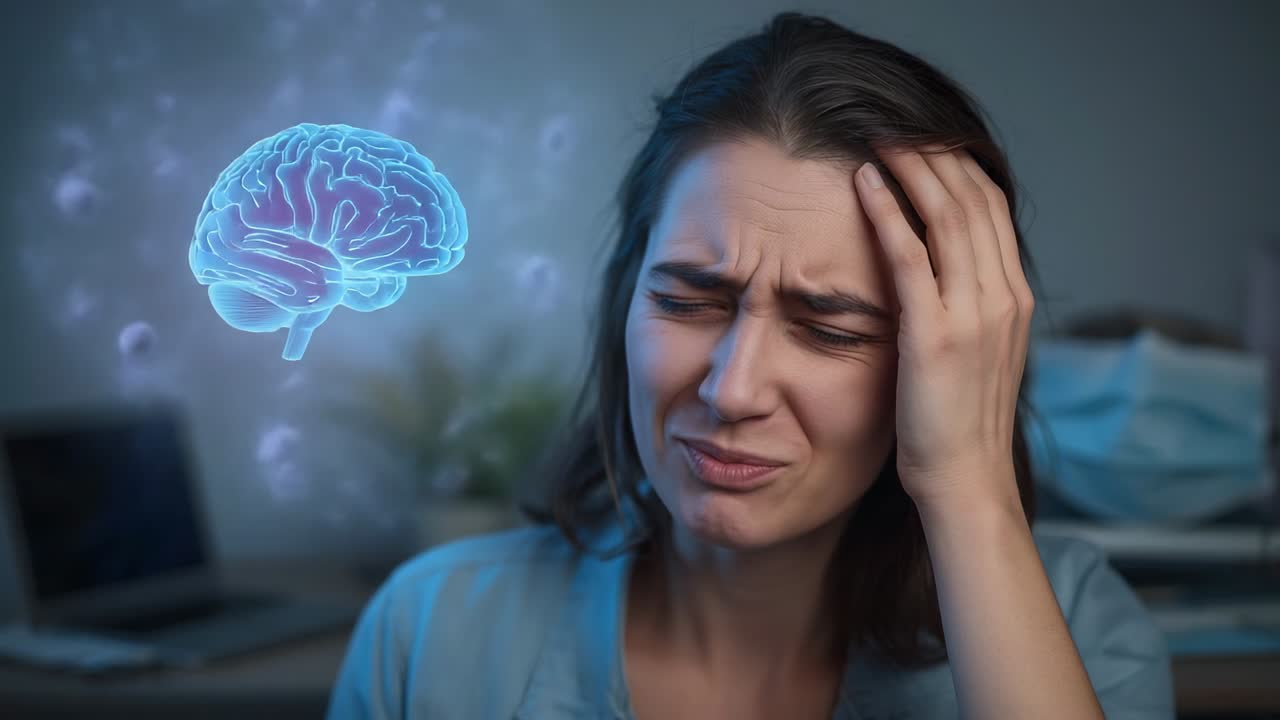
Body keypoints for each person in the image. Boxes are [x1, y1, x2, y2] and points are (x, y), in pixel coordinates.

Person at [327, 12, 1174, 719]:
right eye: (685, 302)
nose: (731, 390)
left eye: (830, 330)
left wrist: (967, 489)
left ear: (953, 353)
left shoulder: (1078, 627)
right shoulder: (429, 634)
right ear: (625, 297)